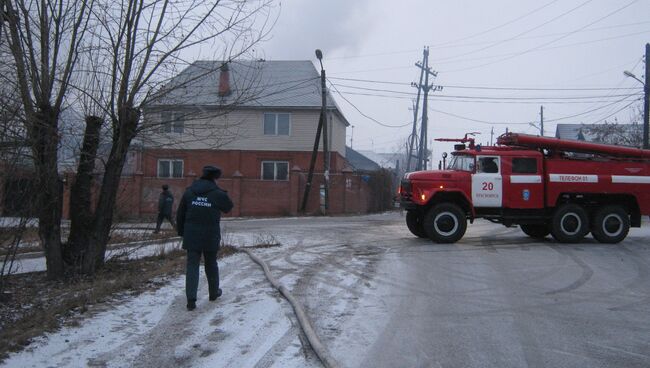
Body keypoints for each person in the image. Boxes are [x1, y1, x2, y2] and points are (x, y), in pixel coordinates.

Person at [176, 165, 233, 311]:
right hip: (210, 234)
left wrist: (182, 232)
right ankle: (213, 293)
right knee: (211, 263)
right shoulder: (217, 194)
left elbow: (180, 213)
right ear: (215, 178)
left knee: (192, 265)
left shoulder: (189, 192)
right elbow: (228, 207)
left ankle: (191, 300)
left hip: (191, 234)